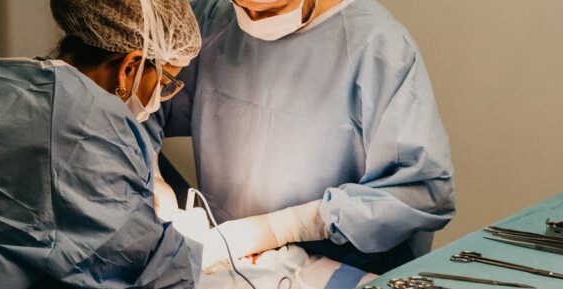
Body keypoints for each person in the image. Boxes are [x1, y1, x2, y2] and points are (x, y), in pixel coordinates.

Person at [0, 0, 207, 288]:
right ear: (129, 67)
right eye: (165, 82)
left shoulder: (13, 86)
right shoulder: (85, 126)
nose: (161, 98)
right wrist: (201, 250)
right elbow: (147, 264)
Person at [150, 0, 456, 274]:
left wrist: (286, 227)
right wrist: (153, 176)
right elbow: (142, 100)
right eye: (244, 6)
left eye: (269, 9)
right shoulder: (216, 20)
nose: (254, 18)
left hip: (348, 267)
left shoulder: (377, 46)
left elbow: (422, 191)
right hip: (233, 260)